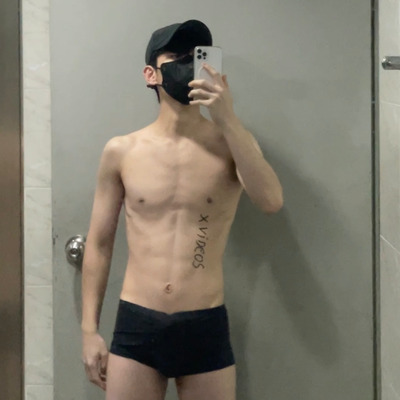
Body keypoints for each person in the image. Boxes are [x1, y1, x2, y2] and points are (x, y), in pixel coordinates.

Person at [81, 19, 283, 400]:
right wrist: (89, 331)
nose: (188, 63)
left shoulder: (232, 144)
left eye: (196, 55)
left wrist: (228, 119)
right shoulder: (122, 151)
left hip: (204, 322)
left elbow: (271, 201)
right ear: (151, 75)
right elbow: (100, 244)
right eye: (176, 56)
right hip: (137, 321)